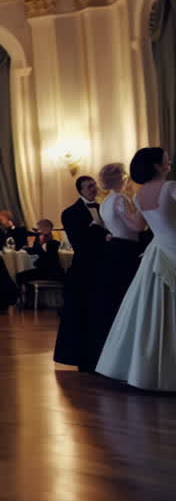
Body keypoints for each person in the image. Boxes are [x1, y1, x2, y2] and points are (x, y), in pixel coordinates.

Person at [96, 148, 176, 390]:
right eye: (165, 158)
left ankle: (146, 370)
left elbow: (139, 224)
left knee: (151, 311)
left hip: (157, 249)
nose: (169, 160)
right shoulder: (170, 187)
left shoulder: (140, 196)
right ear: (156, 165)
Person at [85, 162, 149, 372]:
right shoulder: (121, 198)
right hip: (126, 251)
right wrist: (142, 207)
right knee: (125, 295)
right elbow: (136, 226)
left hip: (114, 249)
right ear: (122, 178)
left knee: (115, 295)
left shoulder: (105, 201)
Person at [54, 176, 109, 367]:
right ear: (80, 190)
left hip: (105, 265)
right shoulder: (70, 212)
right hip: (85, 267)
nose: (93, 188)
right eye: (88, 186)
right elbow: (79, 241)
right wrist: (100, 232)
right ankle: (82, 357)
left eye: (94, 185)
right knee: (83, 311)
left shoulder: (105, 208)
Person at [15, 219, 65, 284]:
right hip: (49, 272)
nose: (38, 237)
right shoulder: (47, 244)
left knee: (20, 276)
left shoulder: (50, 244)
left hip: (51, 273)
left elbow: (36, 252)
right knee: (22, 275)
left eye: (40, 234)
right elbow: (34, 250)